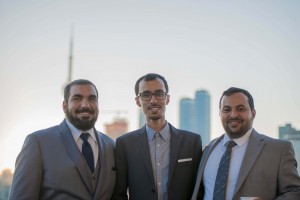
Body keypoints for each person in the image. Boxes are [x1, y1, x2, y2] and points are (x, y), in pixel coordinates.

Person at [9, 79, 116, 200]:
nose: (85, 105)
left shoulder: (111, 145)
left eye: (92, 98)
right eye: (77, 98)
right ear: (65, 106)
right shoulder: (38, 142)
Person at [192, 87, 300, 200]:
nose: (233, 115)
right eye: (227, 109)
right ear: (220, 114)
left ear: (253, 114)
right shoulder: (208, 149)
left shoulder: (278, 150)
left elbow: (295, 191)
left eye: (240, 109)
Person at [112, 73, 202, 200]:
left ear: (167, 98)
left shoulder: (192, 142)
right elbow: (119, 194)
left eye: (159, 94)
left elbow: (199, 191)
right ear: (138, 101)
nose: (153, 100)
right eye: (146, 95)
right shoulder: (124, 144)